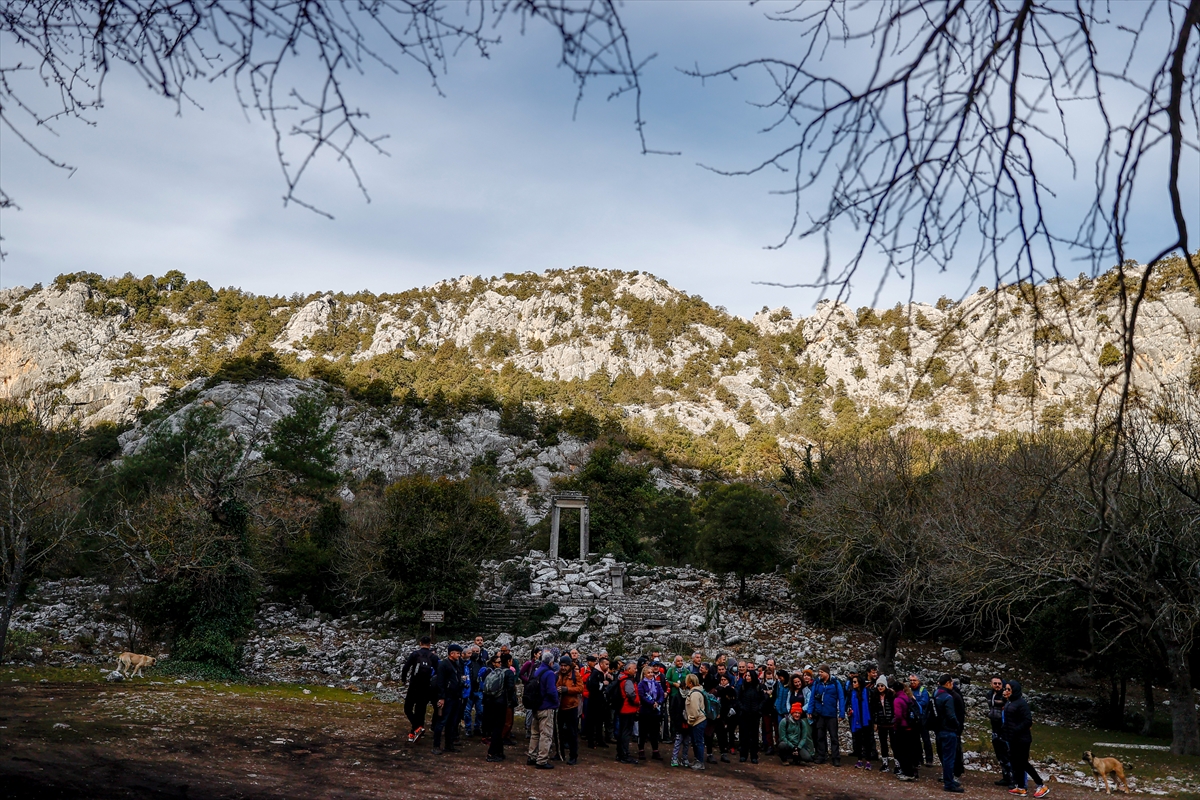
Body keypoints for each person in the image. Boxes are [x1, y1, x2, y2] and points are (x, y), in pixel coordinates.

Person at [1002, 679, 1050, 797]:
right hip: (1012, 739)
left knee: (1023, 763)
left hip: (1022, 739)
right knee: (1015, 763)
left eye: (1009, 689)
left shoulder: (1021, 703)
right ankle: (1021, 787)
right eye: (1006, 689)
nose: (1006, 691)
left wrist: (1016, 730)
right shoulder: (1009, 702)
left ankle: (1041, 785)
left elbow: (1028, 721)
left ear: (1015, 690)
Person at [400, 636, 439, 743]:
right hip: (426, 687)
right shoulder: (433, 657)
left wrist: (403, 679)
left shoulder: (415, 654)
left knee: (408, 708)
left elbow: (406, 668)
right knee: (420, 710)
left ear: (420, 643)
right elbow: (439, 672)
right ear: (430, 644)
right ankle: (417, 730)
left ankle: (416, 728)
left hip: (414, 685)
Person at [526, 650, 559, 770]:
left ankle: (532, 756)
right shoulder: (549, 673)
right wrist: (556, 702)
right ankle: (542, 759)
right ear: (551, 662)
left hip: (535, 705)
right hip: (546, 706)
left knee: (535, 733)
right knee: (546, 734)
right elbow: (551, 691)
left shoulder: (537, 671)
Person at [806, 665, 846, 766]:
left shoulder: (835, 683)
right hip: (820, 714)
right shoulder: (817, 682)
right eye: (819, 672)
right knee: (820, 736)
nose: (819, 674)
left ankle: (835, 757)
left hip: (831, 714)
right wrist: (810, 710)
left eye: (821, 672)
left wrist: (841, 712)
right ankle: (821, 756)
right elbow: (812, 698)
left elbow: (841, 698)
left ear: (827, 673)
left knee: (833, 737)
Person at [483, 652, 517, 762]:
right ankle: (492, 753)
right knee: (499, 728)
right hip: (501, 703)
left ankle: (499, 752)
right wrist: (512, 702)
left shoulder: (496, 671)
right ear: (509, 661)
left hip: (491, 702)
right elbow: (510, 689)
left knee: (496, 728)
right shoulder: (508, 673)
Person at [934, 674, 964, 793]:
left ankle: (949, 779)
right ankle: (949, 783)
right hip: (948, 730)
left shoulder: (936, 694)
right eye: (951, 682)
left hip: (939, 729)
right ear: (947, 683)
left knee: (945, 756)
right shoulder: (948, 697)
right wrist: (957, 726)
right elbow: (951, 715)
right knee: (949, 758)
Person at [431, 643, 463, 755]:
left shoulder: (456, 664)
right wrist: (441, 697)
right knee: (441, 722)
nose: (459, 655)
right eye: (458, 653)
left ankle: (449, 745)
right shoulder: (444, 665)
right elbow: (440, 682)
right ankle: (436, 745)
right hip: (447, 697)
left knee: (452, 722)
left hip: (456, 697)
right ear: (451, 653)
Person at [556, 655, 584, 765]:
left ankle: (573, 756)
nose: (563, 668)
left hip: (571, 707)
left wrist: (567, 690)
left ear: (569, 666)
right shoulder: (557, 674)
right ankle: (560, 753)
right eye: (561, 666)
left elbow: (580, 688)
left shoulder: (575, 675)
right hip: (560, 707)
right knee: (559, 732)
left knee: (572, 732)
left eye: (565, 666)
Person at [987, 675, 1013, 787]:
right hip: (994, 726)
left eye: (999, 683)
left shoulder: (1005, 695)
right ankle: (1005, 776)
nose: (997, 685)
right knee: (999, 754)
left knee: (1007, 753)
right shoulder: (989, 694)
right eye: (995, 683)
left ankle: (1012, 778)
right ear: (991, 684)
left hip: (1004, 728)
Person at [637, 664, 665, 761]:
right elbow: (642, 696)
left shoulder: (656, 684)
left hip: (655, 712)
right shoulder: (641, 684)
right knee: (643, 732)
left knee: (655, 732)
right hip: (645, 711)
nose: (651, 674)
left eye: (652, 672)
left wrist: (658, 702)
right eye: (648, 673)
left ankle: (655, 751)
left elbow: (661, 694)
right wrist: (651, 703)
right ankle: (641, 749)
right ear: (644, 674)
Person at [615, 661, 641, 765]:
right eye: (634, 668)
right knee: (626, 732)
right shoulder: (628, 680)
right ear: (629, 669)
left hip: (623, 709)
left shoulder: (622, 678)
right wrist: (638, 701)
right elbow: (631, 694)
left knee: (622, 732)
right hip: (628, 709)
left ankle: (620, 753)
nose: (636, 670)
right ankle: (624, 754)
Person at [870, 675, 897, 774]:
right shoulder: (875, 697)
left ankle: (897, 764)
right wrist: (876, 722)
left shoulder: (891, 695)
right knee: (883, 743)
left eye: (882, 685)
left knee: (894, 744)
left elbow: (894, 709)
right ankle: (885, 763)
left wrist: (894, 719)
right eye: (878, 686)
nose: (880, 687)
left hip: (891, 723)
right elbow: (875, 711)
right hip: (881, 723)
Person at [736, 668, 763, 763]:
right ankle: (743, 755)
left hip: (754, 715)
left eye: (749, 675)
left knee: (754, 736)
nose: (747, 677)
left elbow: (763, 699)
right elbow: (738, 699)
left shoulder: (758, 687)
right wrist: (742, 707)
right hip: (744, 714)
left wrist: (758, 708)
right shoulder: (743, 687)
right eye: (746, 675)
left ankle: (754, 756)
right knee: (744, 736)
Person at [846, 673, 873, 768]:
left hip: (866, 719)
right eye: (852, 682)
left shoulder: (867, 692)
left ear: (859, 683)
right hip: (856, 719)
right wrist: (849, 710)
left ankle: (868, 760)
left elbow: (871, 705)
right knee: (858, 740)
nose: (853, 684)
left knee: (867, 741)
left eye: (855, 682)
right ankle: (859, 759)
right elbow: (848, 704)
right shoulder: (851, 693)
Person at [683, 674, 708, 770]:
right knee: (696, 742)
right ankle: (697, 760)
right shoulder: (699, 691)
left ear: (690, 683)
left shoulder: (694, 694)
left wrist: (690, 720)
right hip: (700, 720)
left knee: (698, 742)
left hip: (697, 721)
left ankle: (700, 762)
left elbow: (694, 711)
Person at [585, 656, 611, 748]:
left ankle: (599, 740)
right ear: (601, 664)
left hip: (600, 701)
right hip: (594, 701)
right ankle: (591, 741)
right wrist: (602, 684)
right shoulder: (595, 673)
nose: (608, 666)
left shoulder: (603, 673)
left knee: (600, 722)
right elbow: (591, 685)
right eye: (606, 664)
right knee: (592, 722)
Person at [910, 674, 935, 766]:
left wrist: (914, 702)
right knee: (916, 740)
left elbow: (924, 702)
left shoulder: (923, 690)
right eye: (911, 680)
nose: (912, 682)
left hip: (923, 719)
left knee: (926, 739)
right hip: (914, 719)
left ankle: (929, 759)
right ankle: (919, 759)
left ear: (918, 681)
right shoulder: (909, 691)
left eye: (914, 680)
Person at [463, 645, 486, 736]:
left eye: (477, 651)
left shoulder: (482, 662)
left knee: (480, 711)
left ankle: (477, 727)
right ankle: (468, 728)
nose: (475, 653)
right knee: (467, 711)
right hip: (469, 691)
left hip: (479, 690)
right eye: (473, 652)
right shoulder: (466, 663)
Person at [715, 673, 737, 761]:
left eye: (725, 680)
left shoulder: (731, 690)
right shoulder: (717, 689)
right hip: (720, 714)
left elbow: (734, 700)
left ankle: (731, 746)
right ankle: (723, 748)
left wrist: (732, 708)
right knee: (721, 732)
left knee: (731, 731)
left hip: (730, 713)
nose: (723, 681)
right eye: (721, 680)